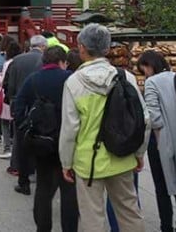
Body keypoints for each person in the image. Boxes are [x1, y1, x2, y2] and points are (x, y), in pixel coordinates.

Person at [59, 23, 149, 232]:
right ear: (107, 49)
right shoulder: (126, 77)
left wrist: (66, 161)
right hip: (122, 154)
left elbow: (70, 128)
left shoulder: (74, 82)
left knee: (92, 217)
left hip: (87, 161)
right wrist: (139, 151)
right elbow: (144, 118)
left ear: (81, 47)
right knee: (129, 212)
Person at [14, 46, 78, 232]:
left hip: (42, 140)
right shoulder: (70, 79)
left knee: (43, 187)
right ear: (62, 61)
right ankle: (70, 228)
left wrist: (25, 126)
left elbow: (19, 104)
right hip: (67, 138)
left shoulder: (33, 79)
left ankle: (43, 227)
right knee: (68, 189)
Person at [139, 50, 176, 232]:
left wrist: (158, 135)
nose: (144, 72)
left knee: (162, 188)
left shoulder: (151, 82)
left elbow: (154, 116)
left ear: (150, 65)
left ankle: (166, 227)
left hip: (161, 140)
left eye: (143, 68)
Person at [4, 34, 47, 191]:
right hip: (40, 105)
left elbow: (9, 83)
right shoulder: (45, 61)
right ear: (43, 46)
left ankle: (19, 169)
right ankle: (36, 169)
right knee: (40, 137)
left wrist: (12, 101)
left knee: (20, 139)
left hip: (20, 104)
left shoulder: (18, 60)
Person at [0, 40, 22, 161]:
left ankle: (7, 147)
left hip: (7, 95)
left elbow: (3, 80)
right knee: (15, 123)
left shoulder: (7, 63)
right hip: (19, 94)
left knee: (5, 122)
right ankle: (15, 145)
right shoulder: (21, 62)